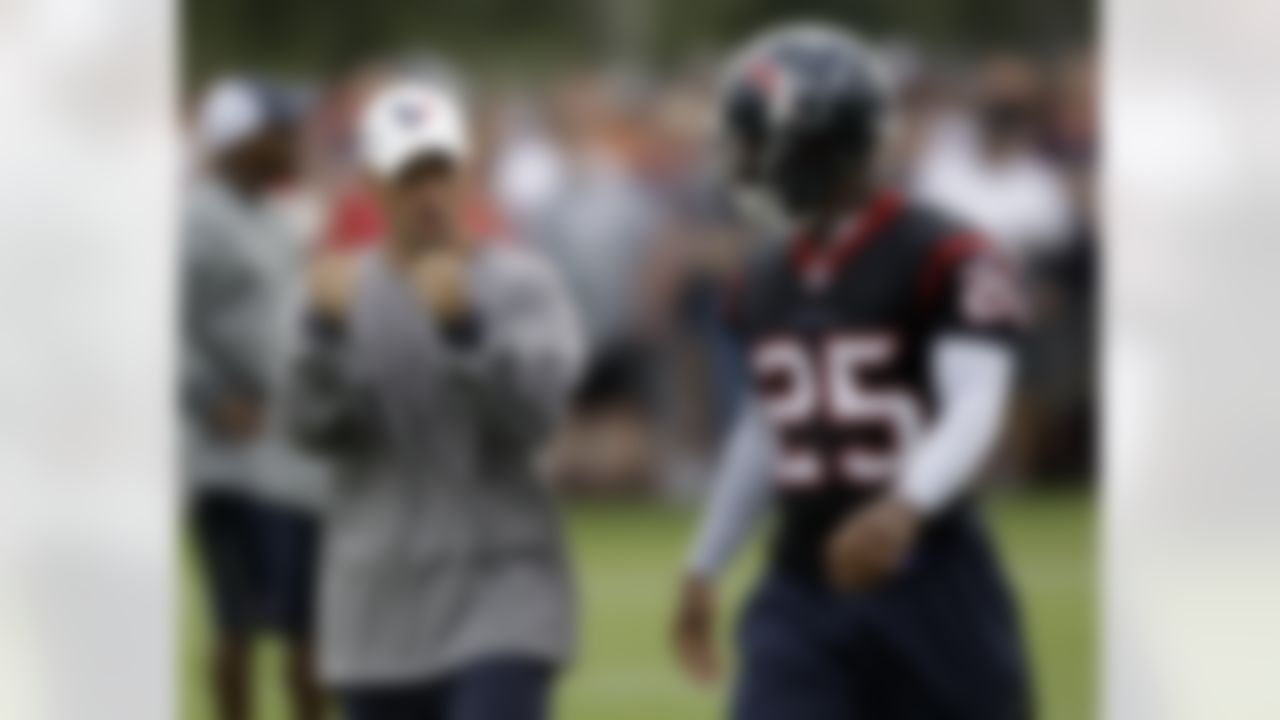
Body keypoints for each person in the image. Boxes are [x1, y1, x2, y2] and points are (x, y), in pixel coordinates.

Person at [671, 24, 1033, 719]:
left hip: (930, 580)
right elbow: (768, 429)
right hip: (802, 587)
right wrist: (706, 561)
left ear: (808, 145)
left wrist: (905, 506)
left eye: (753, 142)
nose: (741, 162)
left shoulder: (943, 252)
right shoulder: (762, 277)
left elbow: (976, 404)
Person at [290, 77, 585, 720]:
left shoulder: (522, 285)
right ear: (372, 183)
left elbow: (537, 417)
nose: (428, 195)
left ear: (468, 173)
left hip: (503, 588)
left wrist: (467, 334)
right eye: (408, 177)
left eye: (441, 173)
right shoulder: (339, 290)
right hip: (377, 607)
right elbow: (308, 430)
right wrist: (321, 342)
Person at [181, 77, 328, 720]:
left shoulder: (279, 218)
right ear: (240, 140)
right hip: (231, 457)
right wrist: (210, 396)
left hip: (292, 454)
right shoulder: (194, 219)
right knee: (238, 623)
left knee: (312, 627)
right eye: (282, 131)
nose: (296, 143)